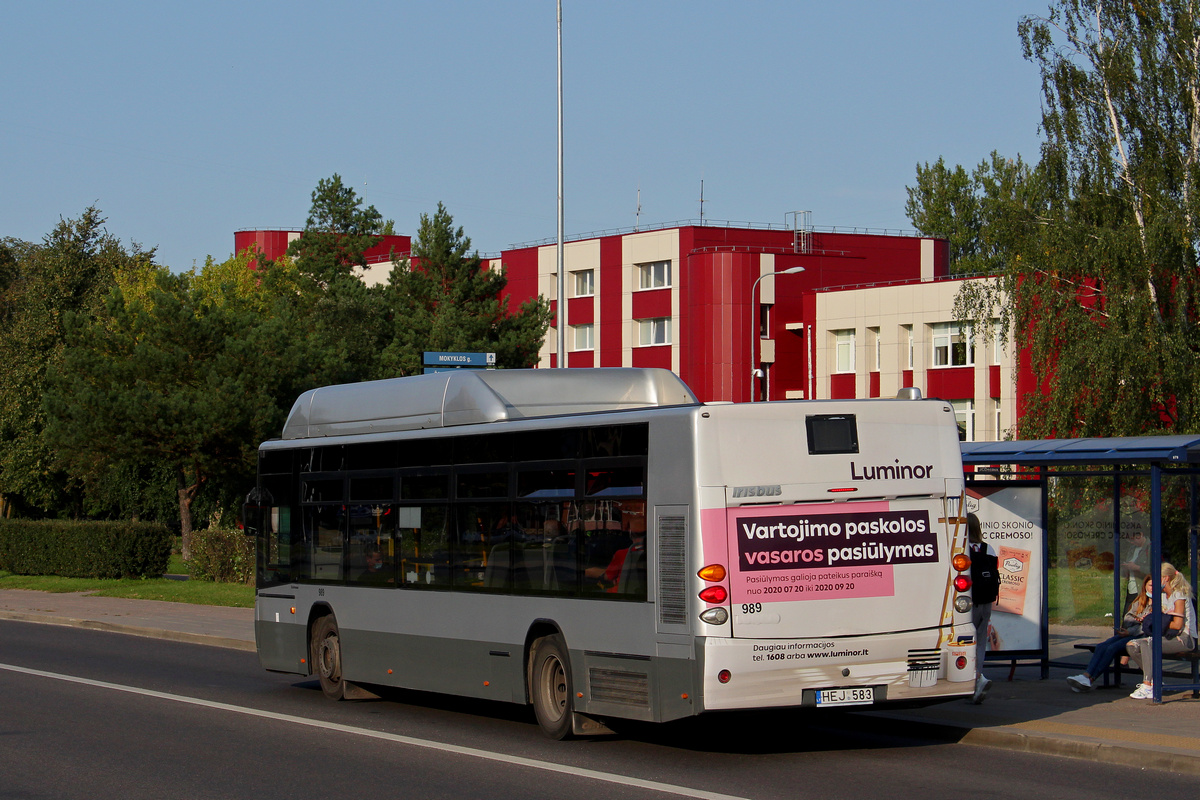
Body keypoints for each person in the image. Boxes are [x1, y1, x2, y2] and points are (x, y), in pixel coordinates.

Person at [1066, 573, 1158, 691]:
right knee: (1102, 645)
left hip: (1142, 636)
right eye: (1150, 585)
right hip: (1130, 633)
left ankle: (1090, 678)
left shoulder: (1160, 603)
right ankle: (1086, 676)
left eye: (1155, 586)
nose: (1152, 588)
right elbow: (1128, 616)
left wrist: (1133, 628)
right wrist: (1137, 620)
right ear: (1145, 586)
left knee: (1112, 648)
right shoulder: (1140, 600)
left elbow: (1149, 626)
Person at [1125, 562, 1197, 699]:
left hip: (1184, 639)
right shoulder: (1162, 596)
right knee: (1132, 645)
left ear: (1165, 579)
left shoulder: (1179, 595)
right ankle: (1154, 681)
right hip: (1167, 636)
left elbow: (1177, 625)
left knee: (1149, 643)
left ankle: (1147, 684)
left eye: (1158, 578)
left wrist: (1158, 622)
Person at [967, 513, 994, 704]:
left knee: (967, 641)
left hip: (969, 602)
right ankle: (979, 678)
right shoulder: (989, 548)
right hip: (987, 602)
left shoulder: (963, 549)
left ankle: (977, 679)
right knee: (981, 640)